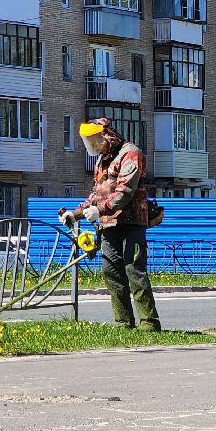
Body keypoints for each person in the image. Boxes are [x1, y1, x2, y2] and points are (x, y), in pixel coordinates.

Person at [60, 118, 162, 332]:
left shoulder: (131, 153)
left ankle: (149, 324)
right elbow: (96, 194)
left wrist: (100, 210)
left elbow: (125, 192)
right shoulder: (103, 160)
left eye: (95, 141)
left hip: (131, 223)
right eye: (90, 143)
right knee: (111, 272)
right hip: (108, 225)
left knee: (134, 271)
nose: (93, 147)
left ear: (106, 135)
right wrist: (75, 214)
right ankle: (124, 323)